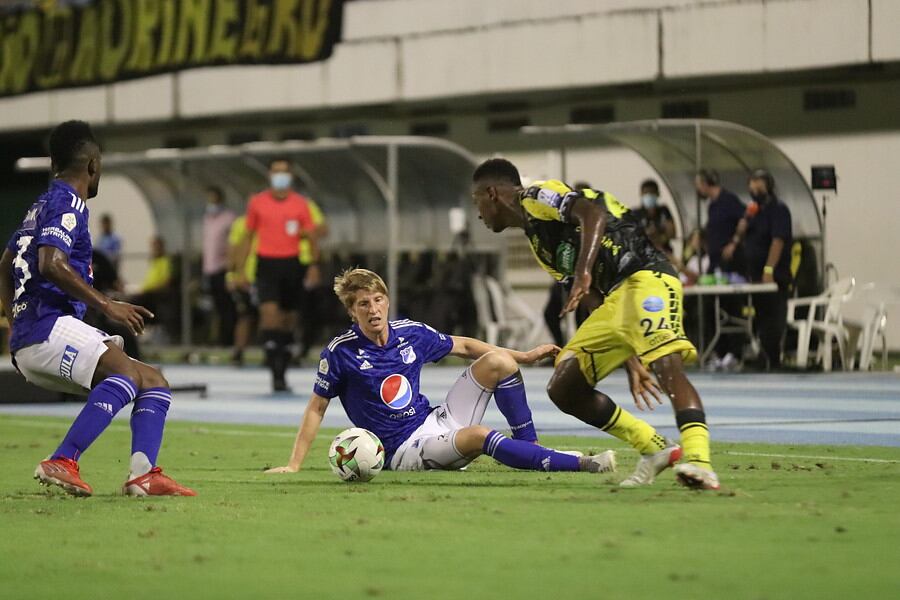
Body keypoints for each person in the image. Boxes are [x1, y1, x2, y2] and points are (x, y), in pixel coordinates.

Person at [471, 158, 719, 490]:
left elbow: (591, 213)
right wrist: (629, 361)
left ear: (491, 194)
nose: (478, 214)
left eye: (477, 203)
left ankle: (700, 463)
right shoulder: (541, 247)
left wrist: (585, 271)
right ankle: (654, 448)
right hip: (616, 298)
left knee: (666, 366)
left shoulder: (535, 195)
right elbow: (593, 302)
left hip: (647, 275)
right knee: (564, 386)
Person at [0, 120, 193, 497]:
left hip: (34, 335)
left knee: (153, 380)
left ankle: (143, 475)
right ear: (92, 164)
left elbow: (4, 265)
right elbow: (50, 263)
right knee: (125, 375)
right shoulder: (67, 201)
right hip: (47, 326)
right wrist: (108, 305)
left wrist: (13, 322)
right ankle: (63, 459)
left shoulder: (39, 205)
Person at [265, 268, 616, 476]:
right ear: (351, 311)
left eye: (377, 300)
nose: (373, 310)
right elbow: (316, 407)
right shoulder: (340, 353)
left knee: (498, 362)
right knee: (480, 435)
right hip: (404, 451)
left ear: (386, 300)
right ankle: (583, 465)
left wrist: (523, 355)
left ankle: (532, 450)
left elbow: (463, 346)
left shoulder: (409, 333)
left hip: (435, 419)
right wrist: (294, 464)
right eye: (363, 304)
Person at [236, 158, 319, 391]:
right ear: (270, 176)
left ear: (291, 177)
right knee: (270, 317)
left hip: (292, 265)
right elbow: (248, 236)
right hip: (267, 265)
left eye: (284, 173)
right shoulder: (258, 203)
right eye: (276, 172)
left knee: (288, 322)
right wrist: (240, 269)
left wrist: (313, 265)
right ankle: (276, 374)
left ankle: (283, 364)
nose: (280, 177)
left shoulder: (301, 204)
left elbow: (312, 236)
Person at [735, 169, 793, 370]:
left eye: (758, 185)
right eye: (752, 185)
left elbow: (778, 241)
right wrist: (740, 231)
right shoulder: (752, 212)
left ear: (768, 186)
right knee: (760, 317)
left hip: (774, 277)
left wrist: (769, 269)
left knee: (773, 318)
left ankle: (774, 359)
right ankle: (763, 356)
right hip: (756, 278)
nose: (754, 190)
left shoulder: (778, 210)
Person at [695, 168, 746, 371]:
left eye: (698, 184)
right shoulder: (712, 206)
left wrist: (733, 243)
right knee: (710, 306)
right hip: (715, 263)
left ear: (706, 183)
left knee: (732, 306)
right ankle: (719, 351)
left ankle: (734, 352)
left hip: (730, 263)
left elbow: (744, 220)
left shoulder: (729, 200)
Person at [202, 186, 237, 346]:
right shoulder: (207, 218)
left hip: (223, 268)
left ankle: (227, 340)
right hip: (210, 269)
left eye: (214, 199)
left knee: (227, 307)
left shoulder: (229, 218)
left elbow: (233, 243)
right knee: (216, 307)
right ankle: (217, 338)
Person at [296, 195, 327, 361]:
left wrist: (300, 232)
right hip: (275, 264)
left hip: (304, 263)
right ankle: (279, 348)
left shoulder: (305, 206)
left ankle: (302, 347)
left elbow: (321, 230)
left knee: (306, 308)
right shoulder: (264, 206)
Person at [631, 179, 676, 255]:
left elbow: (672, 233)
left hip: (664, 252)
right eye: (646, 193)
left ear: (658, 194)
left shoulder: (664, 211)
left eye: (652, 193)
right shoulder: (635, 213)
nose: (649, 196)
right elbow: (632, 235)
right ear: (641, 194)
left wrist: (659, 238)